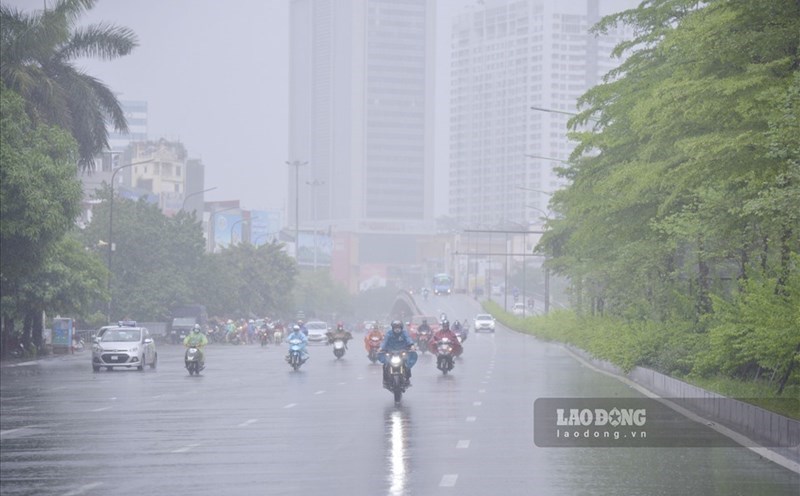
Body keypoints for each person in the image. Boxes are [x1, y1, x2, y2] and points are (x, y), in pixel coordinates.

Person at [379, 320, 418, 385]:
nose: (397, 329)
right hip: (391, 352)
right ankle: (385, 380)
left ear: (401, 328)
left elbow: (408, 339)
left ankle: (407, 379)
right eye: (395, 327)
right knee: (385, 365)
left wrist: (412, 346)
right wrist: (381, 348)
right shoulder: (389, 333)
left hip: (402, 351)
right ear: (393, 328)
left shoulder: (404, 333)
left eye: (398, 327)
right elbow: (385, 341)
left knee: (406, 364)